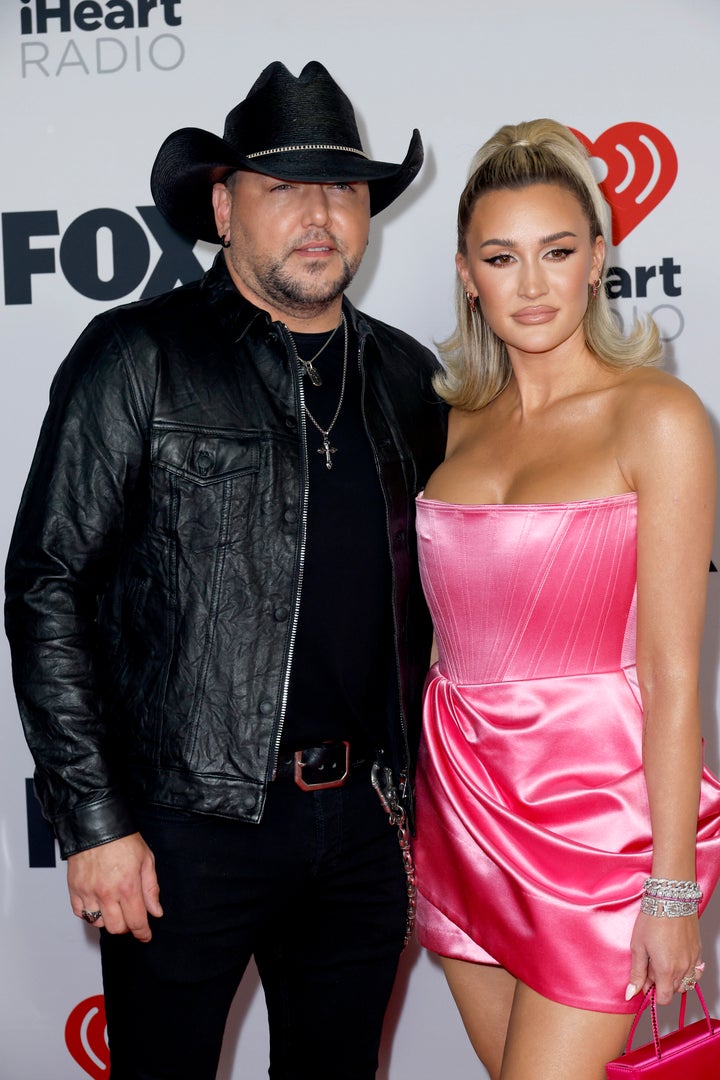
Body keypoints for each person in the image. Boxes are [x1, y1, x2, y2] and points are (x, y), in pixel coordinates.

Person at [5, 61, 446, 1080]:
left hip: (364, 829)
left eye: (340, 187)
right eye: (283, 185)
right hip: (179, 828)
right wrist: (95, 821)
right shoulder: (137, 354)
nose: (318, 214)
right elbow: (48, 584)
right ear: (221, 201)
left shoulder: (410, 378)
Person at [411, 118, 720, 1080]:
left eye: (557, 252)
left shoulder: (657, 416)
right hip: (458, 808)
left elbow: (675, 675)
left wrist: (672, 893)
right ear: (468, 274)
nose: (533, 285)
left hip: (595, 823)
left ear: (597, 260)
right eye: (503, 258)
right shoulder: (450, 421)